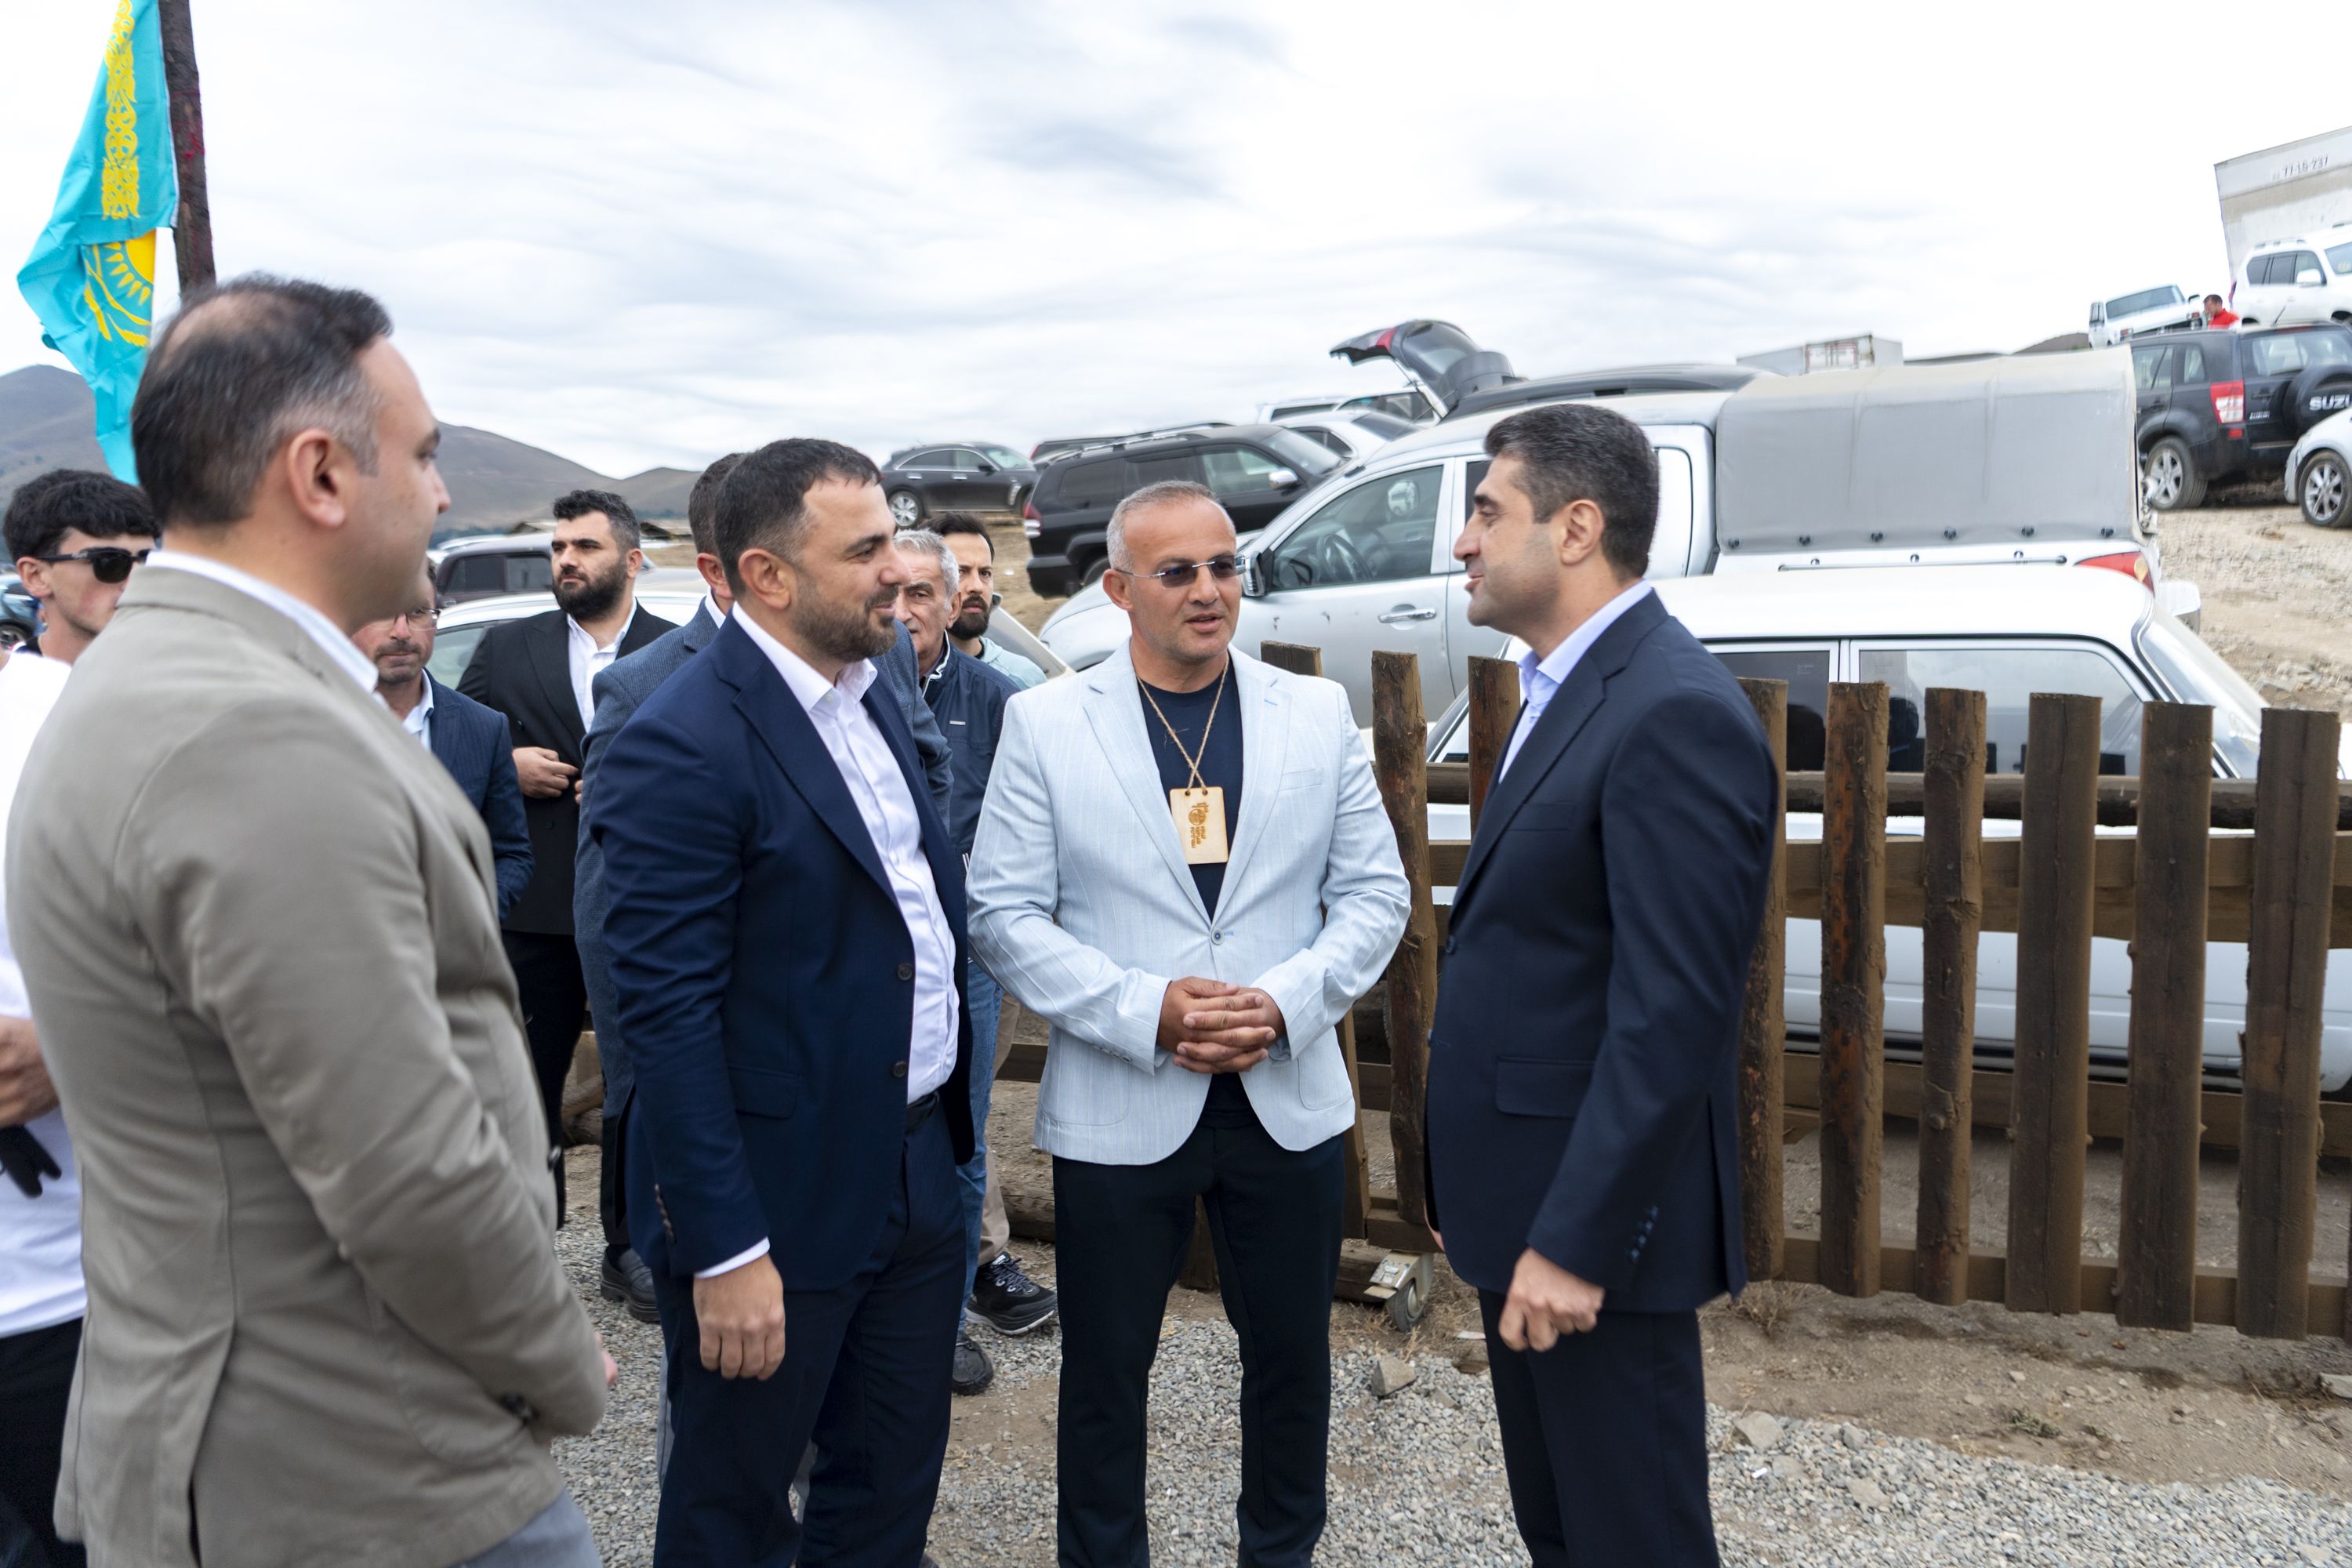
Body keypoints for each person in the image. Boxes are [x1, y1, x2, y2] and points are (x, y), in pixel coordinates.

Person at [5, 274, 609, 1568]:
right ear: (322, 474)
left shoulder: (165, 681)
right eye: (425, 455)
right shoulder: (250, 729)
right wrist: (559, 1363)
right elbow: (404, 1164)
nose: (441, 493)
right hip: (358, 1468)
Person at [968, 480, 1408, 1568]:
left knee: (1292, 1362)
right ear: (1120, 590)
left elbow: (1375, 894)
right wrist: (1146, 1010)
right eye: (1179, 571)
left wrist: (1287, 1000)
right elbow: (1002, 911)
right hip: (1124, 1100)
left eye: (1224, 566)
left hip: (1284, 1095)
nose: (1210, 590)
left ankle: (1281, 1552)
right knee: (1107, 1371)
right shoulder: (1047, 722)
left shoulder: (1315, 713)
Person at [592, 439, 975, 1567]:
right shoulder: (681, 741)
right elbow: (665, 1018)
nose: (895, 572)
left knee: (886, 1495)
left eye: (892, 541)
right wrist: (723, 1248)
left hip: (915, 1168)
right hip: (778, 1198)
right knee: (735, 1511)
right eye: (863, 552)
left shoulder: (873, 688)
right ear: (765, 575)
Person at [1425, 402, 1777, 1567]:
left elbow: (1671, 1017)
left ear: (1576, 529)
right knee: (1565, 1534)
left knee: (1633, 1541)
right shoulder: (1564, 684)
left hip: (1593, 1245)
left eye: (1488, 511)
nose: (1464, 541)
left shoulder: (1671, 709)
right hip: (1525, 1208)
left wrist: (1577, 1243)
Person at [0, 474, 149, 1568]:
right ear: (34, 576)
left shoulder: (170, 723)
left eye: (154, 562)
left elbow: (250, 961)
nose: (135, 584)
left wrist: (80, 1045)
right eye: (109, 562)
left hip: (94, 1265)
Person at [459, 488, 674, 1227]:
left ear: (633, 561)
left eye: (585, 546)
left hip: (644, 906)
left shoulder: (681, 649)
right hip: (537, 910)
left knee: (642, 1082)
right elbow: (455, 746)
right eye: (558, 548)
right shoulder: (505, 647)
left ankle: (631, 1242)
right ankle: (532, 1238)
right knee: (525, 1084)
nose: (566, 560)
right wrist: (506, 766)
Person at [892, 528, 1058, 1401]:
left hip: (965, 962)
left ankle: (946, 1317)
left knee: (960, 1135)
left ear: (953, 600)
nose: (904, 610)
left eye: (923, 592)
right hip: (869, 958)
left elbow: (1028, 829)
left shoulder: (1000, 700)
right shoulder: (848, 694)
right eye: (892, 590)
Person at [353, 566, 534, 919]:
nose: (402, 631)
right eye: (383, 611)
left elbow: (511, 854)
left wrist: (470, 921)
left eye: (418, 612)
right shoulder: (315, 718)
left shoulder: (483, 727)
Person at [5, 468, 159, 665]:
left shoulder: (186, 674)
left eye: (149, 561)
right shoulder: (12, 682)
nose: (137, 580)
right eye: (109, 562)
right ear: (36, 576)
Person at [934, 511, 1044, 688]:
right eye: (959, 572)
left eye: (985, 573)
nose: (977, 587)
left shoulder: (1021, 682)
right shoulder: (898, 678)